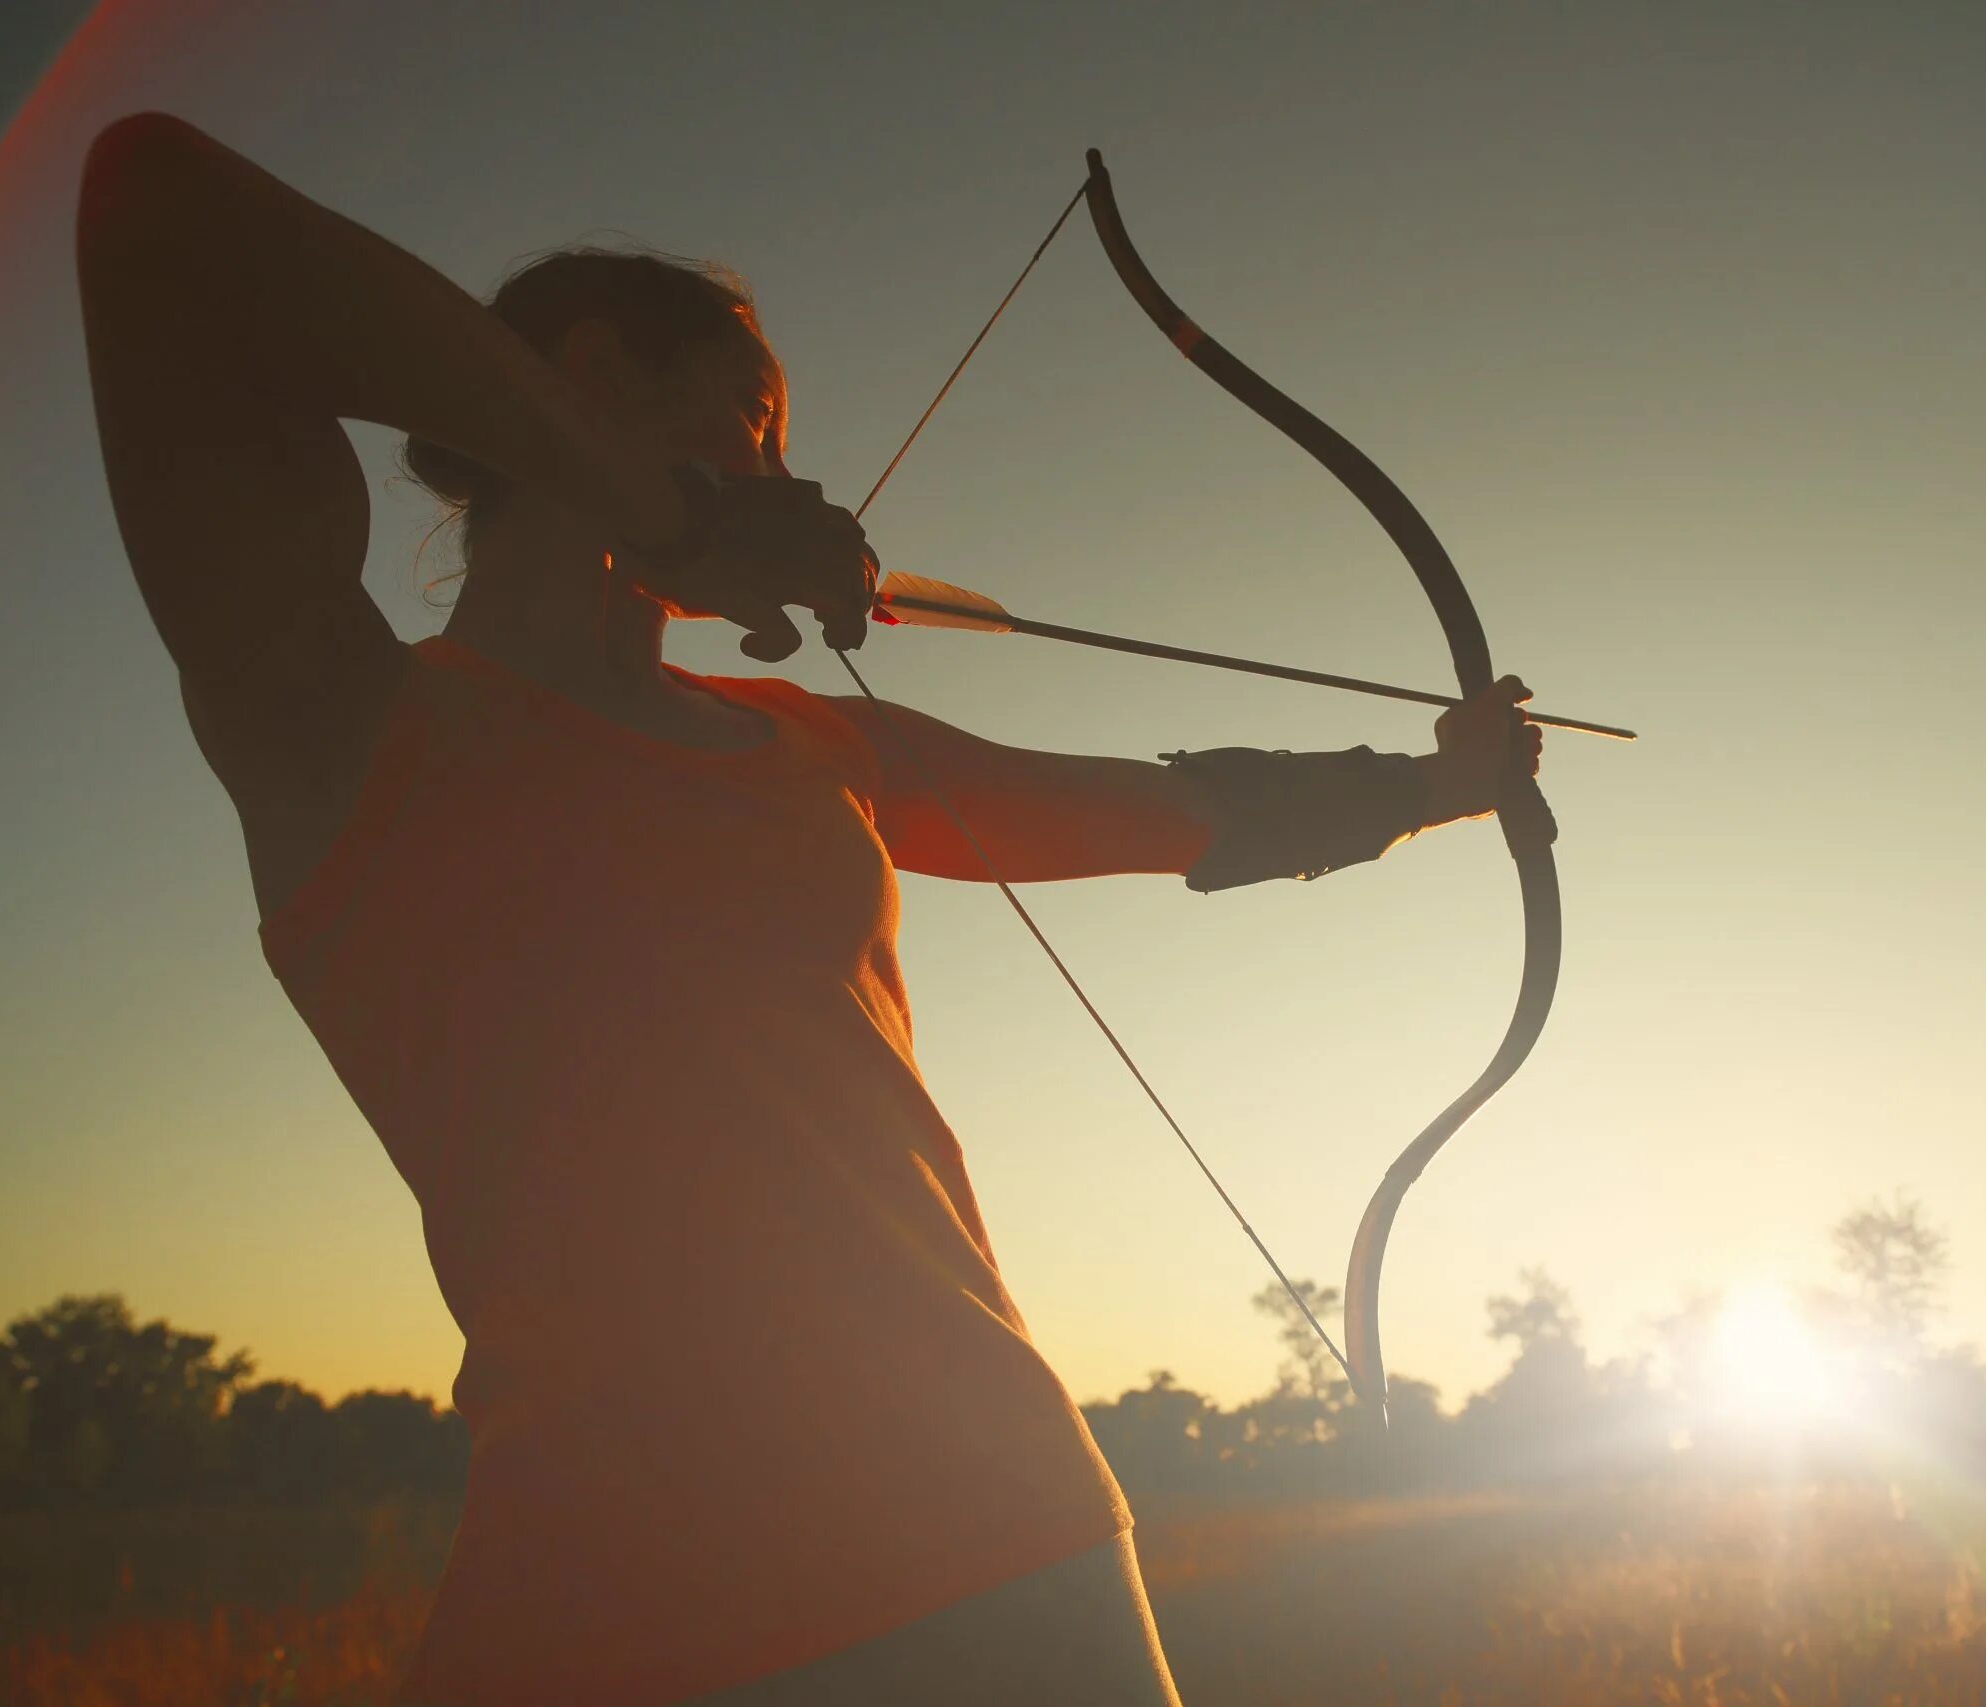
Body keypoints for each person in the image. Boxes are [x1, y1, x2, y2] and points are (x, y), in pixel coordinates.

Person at [76, 112, 1543, 1707]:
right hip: (604, 1598)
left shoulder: (813, 743)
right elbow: (159, 213)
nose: (789, 471)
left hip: (1001, 1535)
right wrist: (671, 506)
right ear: (590, 370)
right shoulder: (333, 712)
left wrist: (1435, 781)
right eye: (753, 417)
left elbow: (1181, 809)